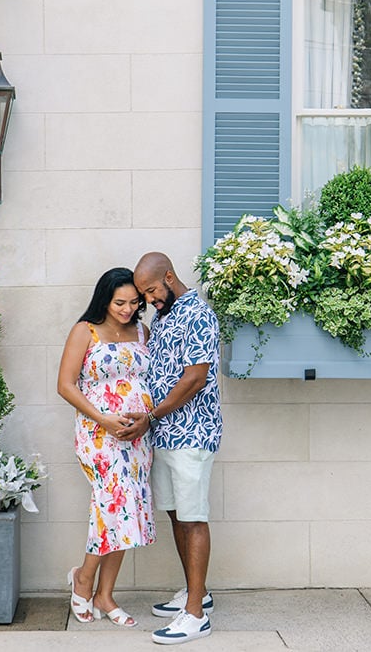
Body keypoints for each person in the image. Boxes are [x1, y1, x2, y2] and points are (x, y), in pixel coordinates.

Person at [125, 251, 222, 646]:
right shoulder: (163, 317)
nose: (149, 300)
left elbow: (195, 378)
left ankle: (196, 614)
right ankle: (195, 593)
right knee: (176, 515)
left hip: (192, 433)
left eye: (151, 291)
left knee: (194, 517)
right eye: (144, 295)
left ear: (169, 276)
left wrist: (152, 414)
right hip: (164, 434)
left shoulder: (198, 313)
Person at [55, 267, 155, 628]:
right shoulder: (86, 331)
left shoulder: (142, 331)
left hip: (138, 438)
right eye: (119, 303)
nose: (127, 309)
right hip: (98, 434)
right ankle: (84, 578)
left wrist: (144, 418)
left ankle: (105, 594)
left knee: (128, 510)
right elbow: (66, 385)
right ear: (104, 299)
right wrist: (104, 419)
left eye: (134, 302)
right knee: (112, 503)